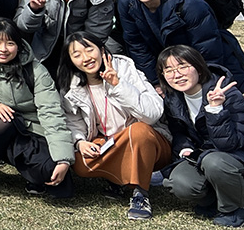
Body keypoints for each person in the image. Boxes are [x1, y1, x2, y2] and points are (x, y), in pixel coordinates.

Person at [58, 32, 171, 220]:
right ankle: (121, 179)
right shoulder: (72, 84)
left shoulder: (125, 68)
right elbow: (72, 120)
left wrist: (118, 85)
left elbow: (152, 114)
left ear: (101, 49)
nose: (86, 58)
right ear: (70, 61)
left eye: (89, 49)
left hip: (148, 139)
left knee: (139, 131)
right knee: (81, 164)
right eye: (76, 55)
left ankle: (140, 194)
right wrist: (79, 142)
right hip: (110, 140)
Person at [157, 44, 244, 228]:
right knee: (179, 181)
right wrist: (185, 148)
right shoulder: (173, 99)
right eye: (169, 70)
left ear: (198, 67)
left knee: (214, 162)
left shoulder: (228, 95)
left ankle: (236, 209)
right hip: (204, 157)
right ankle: (214, 201)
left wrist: (215, 109)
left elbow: (231, 144)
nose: (176, 75)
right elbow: (179, 132)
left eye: (183, 66)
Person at [0, 18, 74, 201]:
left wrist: (63, 159)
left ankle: (33, 176)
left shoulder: (36, 71)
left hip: (33, 130)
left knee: (60, 187)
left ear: (19, 45)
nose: (3, 49)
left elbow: (51, 112)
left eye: (10, 43)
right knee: (1, 122)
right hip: (0, 133)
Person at [117, 0, 244, 88]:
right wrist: (156, 83)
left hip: (212, 68)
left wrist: (204, 88)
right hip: (172, 71)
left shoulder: (191, 6)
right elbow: (137, 46)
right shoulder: (128, 3)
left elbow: (209, 52)